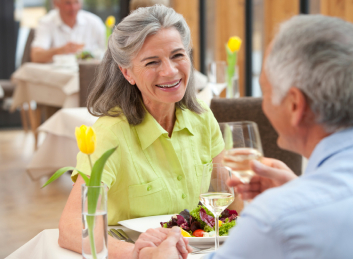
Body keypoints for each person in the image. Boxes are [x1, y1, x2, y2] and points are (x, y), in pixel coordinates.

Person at [134, 14, 353, 259]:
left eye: (265, 92)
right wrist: (297, 188)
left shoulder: (274, 218)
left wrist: (157, 256)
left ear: (294, 105)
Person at [57, 5, 243, 259]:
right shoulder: (111, 134)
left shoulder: (202, 119)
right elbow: (71, 229)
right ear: (127, 72)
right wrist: (139, 253)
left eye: (177, 55)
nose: (169, 71)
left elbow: (232, 201)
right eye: (152, 62)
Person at [31, 0, 105, 63]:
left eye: (76, 2)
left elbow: (107, 52)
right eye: (68, 3)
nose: (73, 7)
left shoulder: (94, 22)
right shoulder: (46, 23)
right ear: (56, 3)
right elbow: (36, 56)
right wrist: (60, 50)